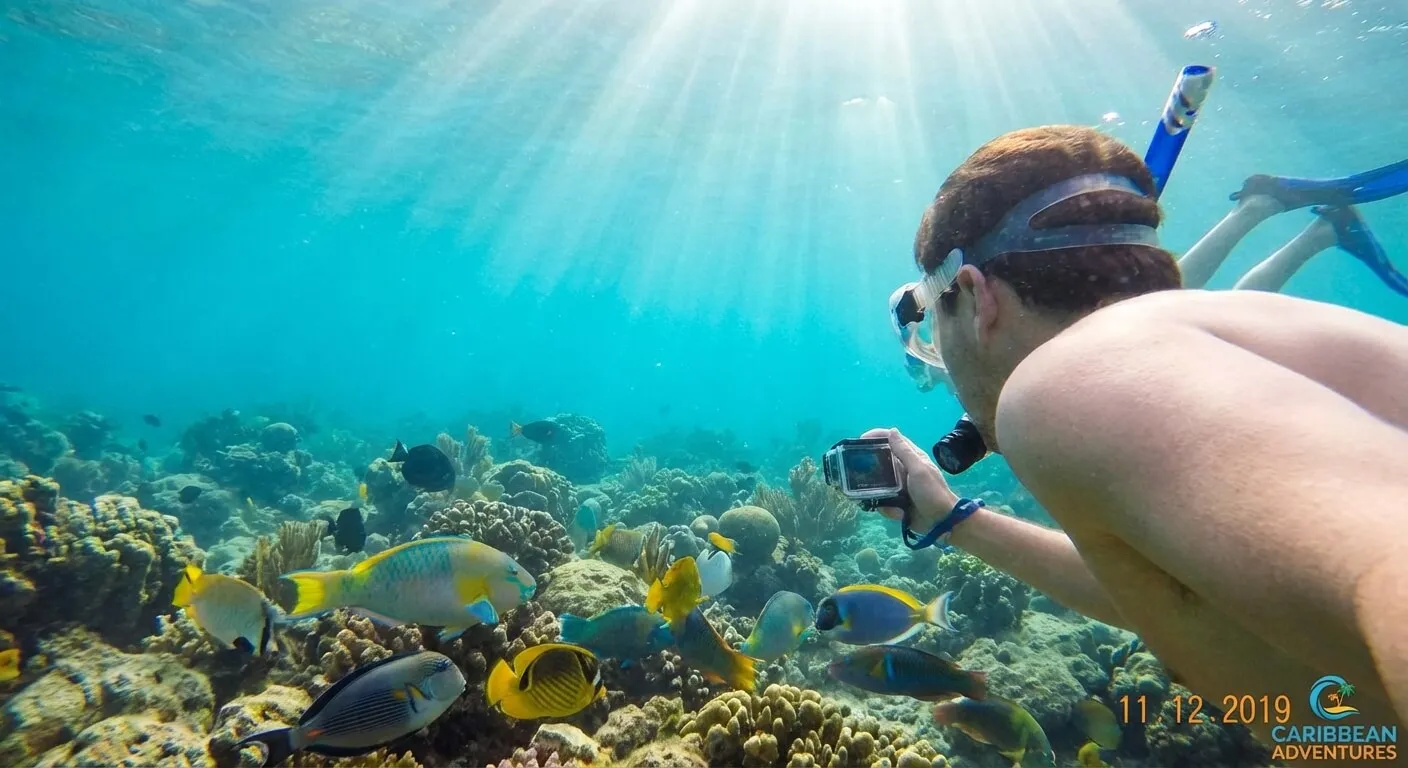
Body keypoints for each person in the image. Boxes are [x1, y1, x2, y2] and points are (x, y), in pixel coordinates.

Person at [866, 125, 1408, 756]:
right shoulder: (1228, 333)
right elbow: (1184, 590)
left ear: (975, 297)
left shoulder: (1064, 381)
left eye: (933, 332)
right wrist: (951, 517)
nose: (945, 366)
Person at [891, 157, 1408, 392]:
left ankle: (1267, 211)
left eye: (928, 345)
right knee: (1184, 314)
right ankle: (1310, 229)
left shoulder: (969, 352)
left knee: (1182, 319)